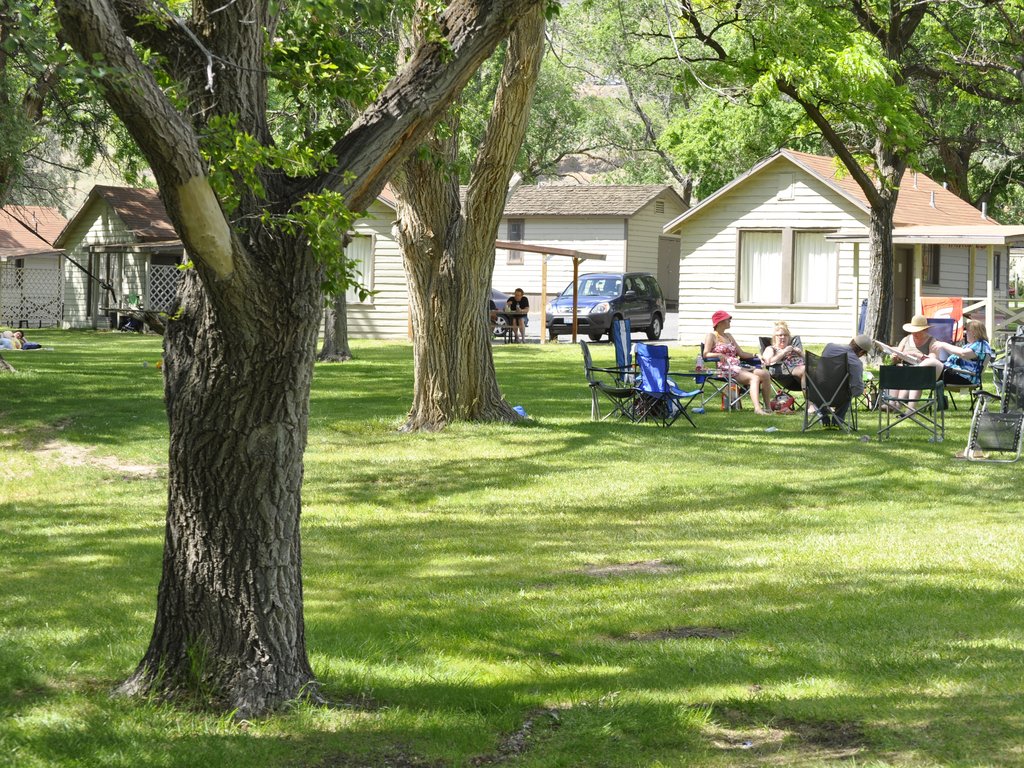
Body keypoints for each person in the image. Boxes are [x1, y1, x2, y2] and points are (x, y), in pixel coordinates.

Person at [703, 309, 773, 414]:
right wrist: (718, 355)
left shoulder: (729, 336)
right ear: (720, 321)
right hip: (725, 368)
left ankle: (768, 407)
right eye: (728, 319)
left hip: (738, 366)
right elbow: (705, 354)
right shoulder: (711, 336)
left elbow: (741, 353)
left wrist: (756, 355)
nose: (730, 321)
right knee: (754, 378)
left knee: (765, 374)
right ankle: (757, 409)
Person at [884, 314, 940, 411]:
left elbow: (933, 359)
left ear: (925, 330)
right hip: (903, 369)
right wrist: (894, 357)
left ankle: (897, 404)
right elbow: (897, 356)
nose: (914, 334)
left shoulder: (932, 341)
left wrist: (915, 354)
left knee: (910, 374)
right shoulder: (906, 339)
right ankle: (892, 403)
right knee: (896, 370)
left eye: (917, 331)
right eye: (913, 331)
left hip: (920, 372)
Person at [915, 318, 992, 388]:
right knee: (917, 378)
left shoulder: (982, 344)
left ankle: (911, 376)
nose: (965, 334)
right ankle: (910, 393)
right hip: (956, 374)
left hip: (964, 377)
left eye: (967, 331)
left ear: (973, 333)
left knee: (930, 363)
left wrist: (943, 344)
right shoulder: (971, 345)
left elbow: (963, 354)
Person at [819, 333, 874, 422]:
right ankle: (837, 422)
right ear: (861, 352)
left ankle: (824, 419)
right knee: (847, 393)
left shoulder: (829, 347)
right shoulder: (856, 363)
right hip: (839, 397)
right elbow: (857, 390)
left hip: (817, 392)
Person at [760, 320, 806, 388]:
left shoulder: (793, 348)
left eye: (785, 335)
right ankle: (810, 394)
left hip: (802, 368)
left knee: (818, 369)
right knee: (805, 370)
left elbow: (807, 360)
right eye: (780, 335)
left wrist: (800, 353)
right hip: (786, 372)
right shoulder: (771, 349)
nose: (783, 337)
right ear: (775, 337)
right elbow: (767, 362)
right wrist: (783, 352)